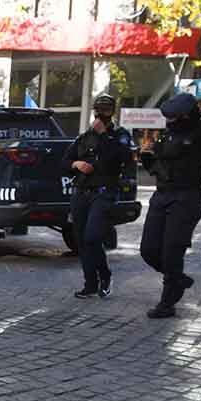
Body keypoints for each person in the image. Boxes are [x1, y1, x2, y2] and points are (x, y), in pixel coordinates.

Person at [138, 93, 201, 318]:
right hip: (162, 195)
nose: (169, 121)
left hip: (187, 197)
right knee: (148, 250)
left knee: (172, 251)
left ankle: (167, 302)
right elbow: (158, 166)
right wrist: (147, 159)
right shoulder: (168, 135)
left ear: (187, 115)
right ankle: (177, 278)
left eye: (175, 117)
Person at [62, 93, 134, 300]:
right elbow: (64, 162)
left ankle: (105, 275)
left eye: (106, 110)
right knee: (82, 241)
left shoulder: (119, 135)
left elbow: (121, 158)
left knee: (92, 237)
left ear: (112, 112)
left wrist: (103, 135)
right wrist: (76, 164)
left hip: (104, 193)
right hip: (81, 193)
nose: (101, 114)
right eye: (98, 109)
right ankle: (90, 284)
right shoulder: (84, 137)